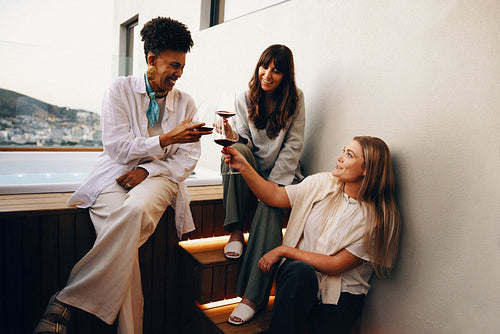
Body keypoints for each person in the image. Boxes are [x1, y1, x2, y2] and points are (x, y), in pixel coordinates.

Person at [33, 17, 212, 334]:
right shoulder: (118, 90)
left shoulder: (186, 103)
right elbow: (117, 148)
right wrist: (166, 139)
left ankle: (64, 301)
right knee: (125, 260)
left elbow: (188, 159)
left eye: (182, 66)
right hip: (115, 176)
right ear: (151, 60)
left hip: (161, 178)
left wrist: (148, 168)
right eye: (173, 65)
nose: (179, 74)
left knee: (134, 210)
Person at [221, 136, 401, 333]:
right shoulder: (321, 183)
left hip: (341, 294)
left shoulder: (376, 219)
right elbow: (274, 195)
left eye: (349, 155)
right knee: (301, 271)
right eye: (344, 151)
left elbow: (335, 265)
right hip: (299, 280)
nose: (340, 158)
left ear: (367, 169)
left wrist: (284, 250)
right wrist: (244, 167)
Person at [221, 45, 305, 325]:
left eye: (276, 71)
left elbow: (293, 145)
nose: (267, 75)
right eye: (264, 67)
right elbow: (244, 142)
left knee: (272, 205)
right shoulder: (245, 96)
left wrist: (271, 187)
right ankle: (235, 230)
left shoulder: (296, 99)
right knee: (233, 153)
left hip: (283, 172)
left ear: (285, 76)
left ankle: (252, 297)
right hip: (253, 167)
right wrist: (231, 136)